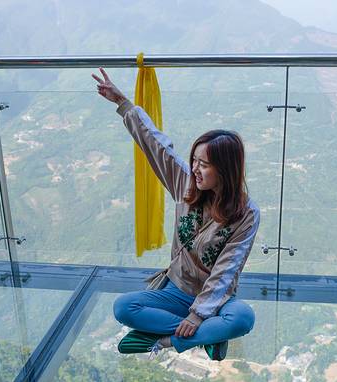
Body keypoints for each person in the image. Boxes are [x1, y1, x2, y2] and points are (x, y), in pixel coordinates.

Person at [93, 68, 259, 361]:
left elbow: (226, 271)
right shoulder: (186, 183)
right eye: (194, 160)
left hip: (216, 299)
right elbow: (157, 145)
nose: (195, 169)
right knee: (124, 308)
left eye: (204, 164)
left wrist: (198, 314)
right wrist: (123, 104)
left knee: (243, 318)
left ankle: (168, 340)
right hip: (176, 291)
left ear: (225, 169)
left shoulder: (246, 214)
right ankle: (209, 336)